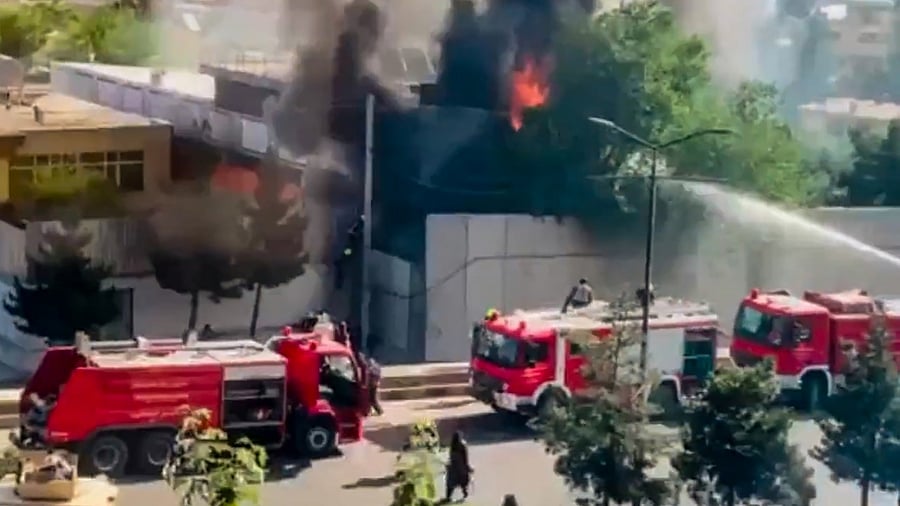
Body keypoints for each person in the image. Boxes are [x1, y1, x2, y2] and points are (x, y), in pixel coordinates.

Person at [445, 431, 473, 502]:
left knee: (451, 483)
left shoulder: (452, 445)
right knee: (463, 481)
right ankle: (465, 493)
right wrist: (467, 466)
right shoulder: (462, 445)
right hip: (460, 466)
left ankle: (448, 497)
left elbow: (451, 456)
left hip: (454, 467)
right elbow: (465, 457)